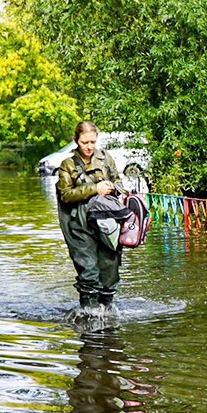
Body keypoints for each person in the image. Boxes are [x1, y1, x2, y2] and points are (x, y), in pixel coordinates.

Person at [56, 120, 123, 314]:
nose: (89, 146)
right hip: (78, 224)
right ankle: (88, 314)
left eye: (93, 142)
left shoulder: (105, 159)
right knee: (89, 271)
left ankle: (108, 313)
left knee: (110, 269)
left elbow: (119, 182)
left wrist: (114, 188)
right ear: (76, 140)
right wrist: (95, 189)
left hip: (106, 222)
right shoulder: (67, 165)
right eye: (85, 142)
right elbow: (65, 194)